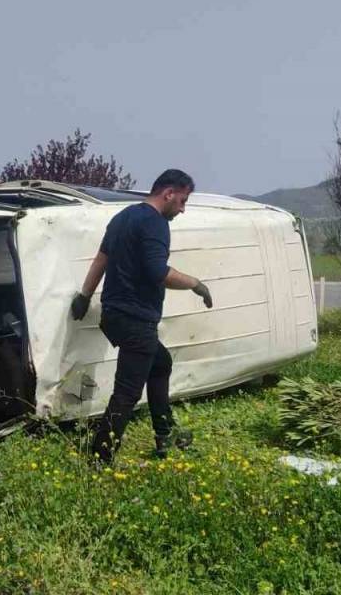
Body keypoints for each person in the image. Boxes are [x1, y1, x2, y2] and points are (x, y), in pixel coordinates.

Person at [70, 169, 213, 466]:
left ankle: (165, 433)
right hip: (135, 320)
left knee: (161, 363)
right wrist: (196, 284)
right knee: (127, 392)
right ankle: (100, 458)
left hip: (114, 316)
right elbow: (158, 272)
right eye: (183, 201)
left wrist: (85, 296)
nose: (183, 209)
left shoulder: (123, 218)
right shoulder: (155, 223)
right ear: (169, 193)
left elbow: (101, 260)